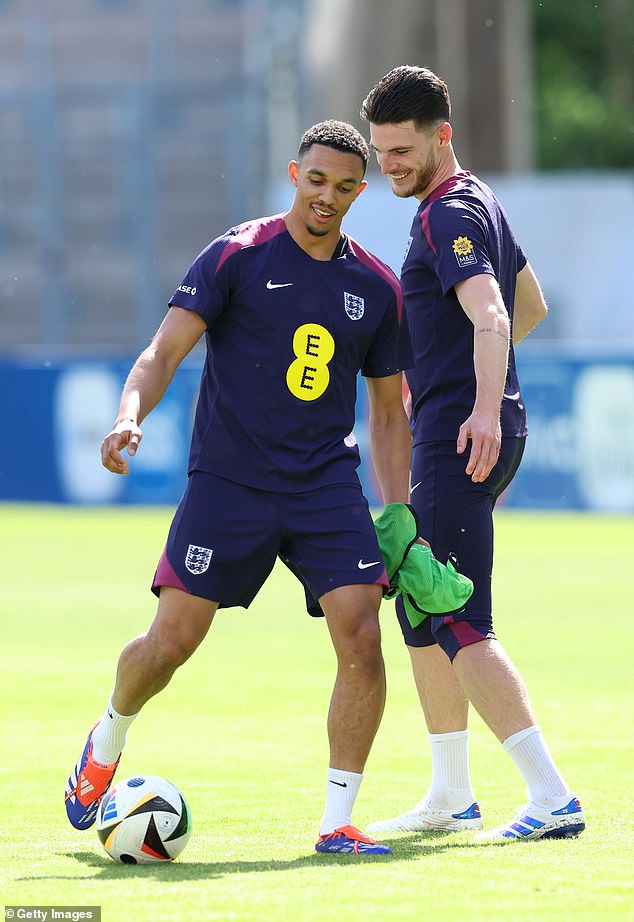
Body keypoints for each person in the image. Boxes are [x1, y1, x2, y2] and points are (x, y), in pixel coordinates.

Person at [64, 120, 414, 856]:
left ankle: (336, 823)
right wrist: (129, 417)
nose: (327, 196)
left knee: (361, 633)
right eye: (315, 180)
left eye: (345, 186)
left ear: (360, 190)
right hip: (230, 482)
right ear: (294, 174)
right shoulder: (236, 255)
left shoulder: (376, 287)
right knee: (171, 645)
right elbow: (161, 352)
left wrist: (399, 508)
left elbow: (388, 410)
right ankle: (107, 740)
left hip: (324, 484)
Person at [360, 66, 584, 842]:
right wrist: (462, 376)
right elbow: (533, 305)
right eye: (381, 151)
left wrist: (478, 404)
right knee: (421, 607)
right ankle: (451, 793)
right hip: (468, 425)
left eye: (402, 149)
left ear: (441, 135)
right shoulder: (481, 199)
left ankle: (552, 798)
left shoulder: (445, 214)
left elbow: (494, 313)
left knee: (457, 616)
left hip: (463, 437)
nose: (389, 164)